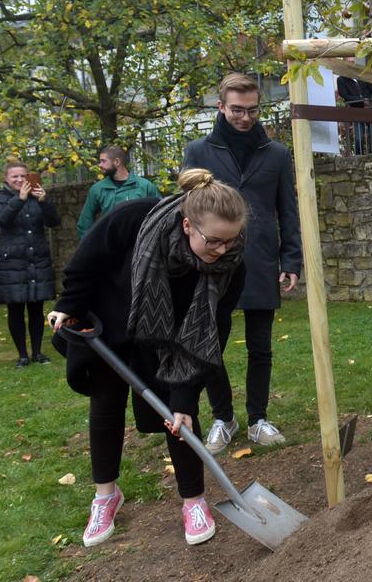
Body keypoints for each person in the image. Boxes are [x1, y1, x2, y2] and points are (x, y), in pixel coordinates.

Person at [48, 169, 247, 547]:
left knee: (179, 416)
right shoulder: (135, 218)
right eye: (214, 241)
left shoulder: (230, 264)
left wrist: (186, 396)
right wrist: (68, 305)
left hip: (170, 343)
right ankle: (105, 496)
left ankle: (194, 501)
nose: (223, 250)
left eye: (231, 241)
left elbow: (213, 333)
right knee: (106, 405)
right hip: (109, 323)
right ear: (187, 224)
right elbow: (87, 258)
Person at [182, 72, 302, 453]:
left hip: (262, 260)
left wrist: (292, 258)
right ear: (220, 107)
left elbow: (288, 210)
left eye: (252, 110)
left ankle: (258, 418)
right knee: (210, 346)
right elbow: (183, 209)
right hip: (212, 262)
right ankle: (223, 417)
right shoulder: (198, 152)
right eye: (236, 110)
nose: (245, 118)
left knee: (260, 346)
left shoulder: (278, 155)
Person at [0, 160, 60, 367]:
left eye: (23, 176)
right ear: (5, 178)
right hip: (11, 261)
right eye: (15, 176)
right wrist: (19, 200)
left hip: (37, 259)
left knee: (36, 307)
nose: (20, 180)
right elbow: (2, 220)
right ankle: (22, 355)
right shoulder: (0, 198)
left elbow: (54, 222)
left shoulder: (37, 196)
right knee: (16, 308)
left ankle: (38, 353)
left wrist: (44, 202)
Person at [77, 146, 160, 238]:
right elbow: (84, 224)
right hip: (111, 247)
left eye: (103, 161)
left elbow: (162, 214)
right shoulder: (97, 189)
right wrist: (92, 248)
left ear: (117, 162)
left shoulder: (145, 186)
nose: (100, 165)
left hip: (140, 245)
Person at [337, 75, 372, 155]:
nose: (351, 62)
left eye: (353, 61)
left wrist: (370, 101)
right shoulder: (341, 79)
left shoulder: (361, 74)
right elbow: (345, 96)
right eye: (348, 61)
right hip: (356, 110)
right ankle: (359, 156)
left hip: (369, 109)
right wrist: (362, 101)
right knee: (359, 138)